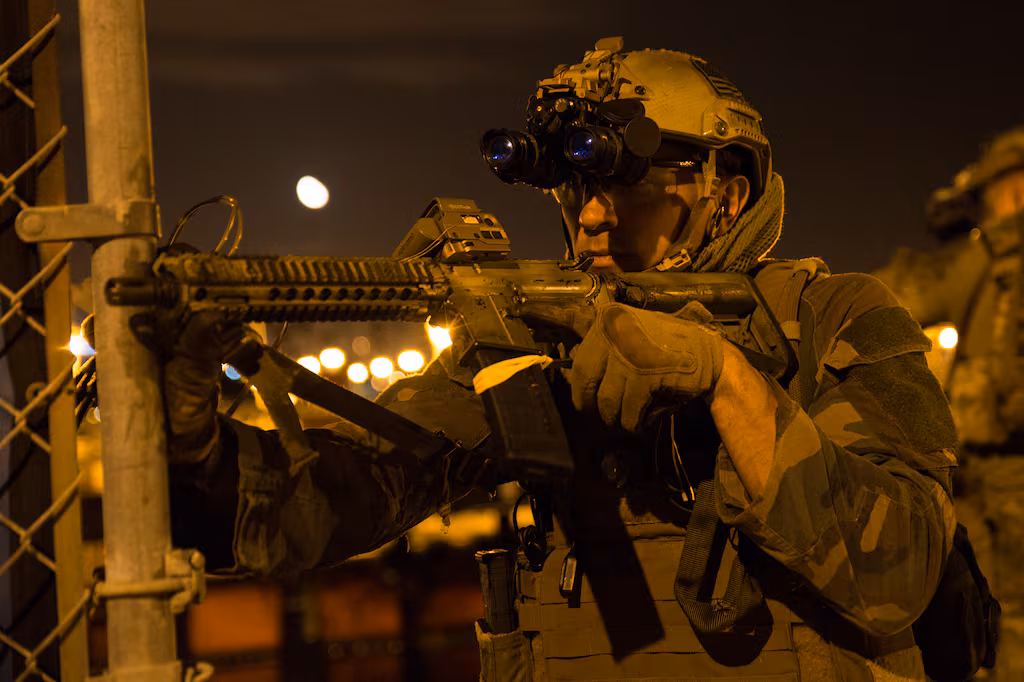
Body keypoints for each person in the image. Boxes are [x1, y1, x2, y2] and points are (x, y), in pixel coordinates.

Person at [167, 38, 959, 680]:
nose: (589, 217)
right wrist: (200, 450)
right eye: (575, 186)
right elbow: (344, 492)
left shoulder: (832, 318)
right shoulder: (536, 342)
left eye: (628, 188)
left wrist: (726, 380)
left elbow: (900, 575)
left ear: (728, 195)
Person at [874, 127, 1024, 680]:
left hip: (989, 470)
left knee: (994, 614)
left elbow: (896, 294)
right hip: (994, 467)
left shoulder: (986, 259)